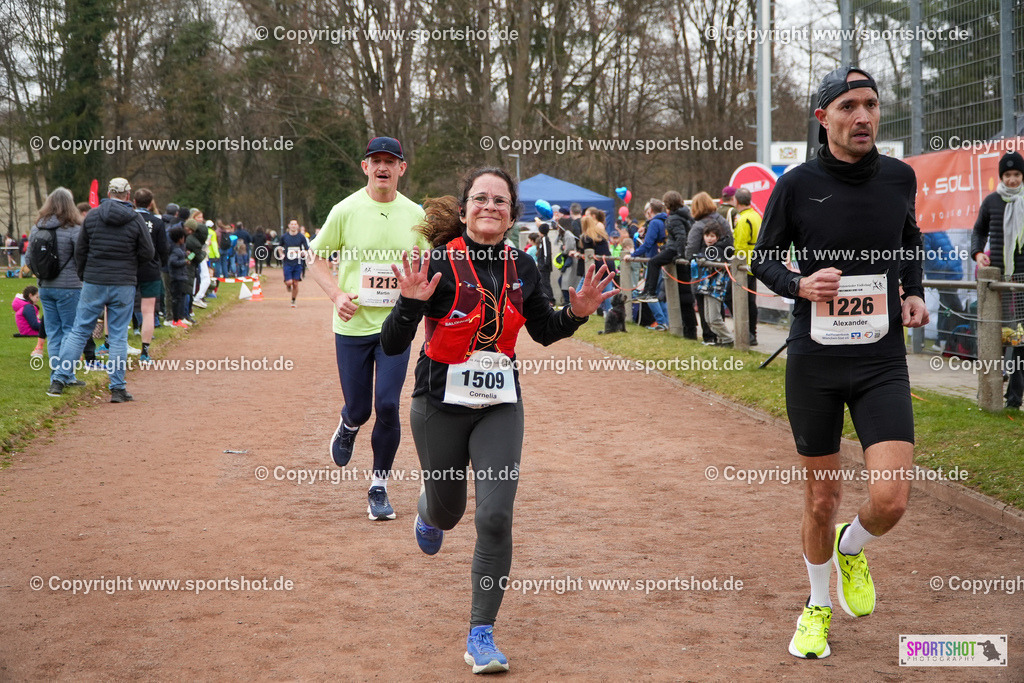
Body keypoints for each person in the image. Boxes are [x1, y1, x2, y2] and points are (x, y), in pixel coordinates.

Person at [380, 167, 616, 674]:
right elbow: (393, 344)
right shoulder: (438, 263)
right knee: (449, 513)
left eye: (501, 201)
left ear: (512, 215)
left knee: (494, 517)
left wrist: (576, 314)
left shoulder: (522, 266)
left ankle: (480, 634)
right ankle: (428, 510)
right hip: (438, 403)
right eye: (480, 199)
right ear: (464, 210)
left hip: (499, 405)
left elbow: (545, 331)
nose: (490, 206)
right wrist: (407, 304)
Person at [750, 66, 928, 660]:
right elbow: (763, 260)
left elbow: (908, 241)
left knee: (891, 499)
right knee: (820, 500)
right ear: (823, 117)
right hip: (815, 361)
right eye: (849, 106)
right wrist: (800, 285)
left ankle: (852, 549)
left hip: (881, 361)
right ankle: (817, 606)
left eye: (872, 105)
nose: (863, 117)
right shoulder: (797, 185)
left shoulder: (901, 178)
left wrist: (913, 291)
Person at [306, 136, 427, 520]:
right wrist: (337, 295)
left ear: (401, 169)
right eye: (376, 160)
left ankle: (378, 487)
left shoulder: (417, 215)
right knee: (360, 409)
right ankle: (348, 423)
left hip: (397, 326)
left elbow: (431, 266)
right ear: (365, 167)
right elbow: (316, 258)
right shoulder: (345, 210)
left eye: (390, 161)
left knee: (388, 405)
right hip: (353, 326)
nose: (383, 167)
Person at [50, 177, 155, 402]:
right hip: (123, 283)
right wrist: (130, 265)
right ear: (128, 195)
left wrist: (84, 274)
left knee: (79, 331)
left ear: (108, 192)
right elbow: (148, 252)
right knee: (117, 336)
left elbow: (81, 249)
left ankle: (58, 380)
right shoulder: (135, 219)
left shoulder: (94, 216)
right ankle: (117, 389)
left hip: (94, 281)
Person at [971, 150, 1024, 409]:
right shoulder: (991, 201)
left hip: (1022, 281)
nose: (1012, 179)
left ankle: (1014, 397)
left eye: (1016, 174)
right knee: (998, 336)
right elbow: (979, 230)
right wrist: (978, 253)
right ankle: (989, 392)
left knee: (1021, 340)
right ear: (1001, 176)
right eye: (1007, 175)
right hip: (998, 281)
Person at [26, 187, 85, 388]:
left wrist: (42, 274)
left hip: (45, 286)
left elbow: (28, 258)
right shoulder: (75, 229)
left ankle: (58, 375)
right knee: (70, 330)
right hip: (69, 286)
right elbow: (81, 257)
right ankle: (64, 375)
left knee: (53, 332)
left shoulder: (37, 227)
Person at [686, 192, 732, 344]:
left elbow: (690, 251)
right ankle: (720, 338)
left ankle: (711, 337)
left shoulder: (698, 225)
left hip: (703, 274)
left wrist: (697, 257)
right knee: (717, 308)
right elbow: (730, 244)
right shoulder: (723, 221)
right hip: (722, 270)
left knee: (706, 308)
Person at [133, 188, 168, 363]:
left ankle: (114, 347)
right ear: (151, 203)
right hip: (150, 270)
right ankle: (145, 352)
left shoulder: (128, 220)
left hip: (129, 269)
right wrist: (161, 263)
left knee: (121, 309)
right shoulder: (157, 222)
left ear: (134, 202)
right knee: (148, 312)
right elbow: (163, 249)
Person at [627, 200, 670, 329]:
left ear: (649, 211)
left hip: (655, 262)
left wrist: (633, 255)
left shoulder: (655, 223)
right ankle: (666, 323)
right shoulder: (664, 221)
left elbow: (647, 244)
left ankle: (661, 322)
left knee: (650, 294)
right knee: (659, 294)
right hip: (662, 261)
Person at [732, 187, 762, 345]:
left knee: (744, 300)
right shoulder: (756, 215)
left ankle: (748, 333)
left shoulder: (743, 219)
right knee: (751, 300)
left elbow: (741, 245)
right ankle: (752, 333)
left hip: (745, 265)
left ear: (736, 201)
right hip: (755, 262)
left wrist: (736, 262)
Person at [693, 225, 732, 346]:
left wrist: (703, 260)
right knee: (708, 318)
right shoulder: (707, 249)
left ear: (718, 237)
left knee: (715, 318)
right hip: (706, 288)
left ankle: (728, 339)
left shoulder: (719, 249)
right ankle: (721, 340)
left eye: (712, 236)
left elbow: (714, 260)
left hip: (716, 288)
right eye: (707, 235)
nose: (709, 238)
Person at [280, 219, 309, 308]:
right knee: (289, 282)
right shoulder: (284, 237)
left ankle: (293, 300)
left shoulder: (301, 237)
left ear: (297, 226)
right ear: (289, 226)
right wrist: (281, 254)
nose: (293, 226)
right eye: (292, 224)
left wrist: (303, 253)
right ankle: (288, 285)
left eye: (295, 224)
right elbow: (279, 247)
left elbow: (307, 248)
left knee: (295, 283)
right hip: (288, 262)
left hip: (298, 262)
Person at [12, 285, 46, 357]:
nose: (38, 300)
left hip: (26, 331)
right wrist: (48, 326)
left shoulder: (25, 306)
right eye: (36, 297)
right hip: (29, 331)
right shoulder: (28, 307)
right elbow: (34, 325)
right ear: (30, 295)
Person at [167, 227, 191, 327]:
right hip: (177, 277)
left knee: (180, 298)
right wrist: (184, 262)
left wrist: (185, 255)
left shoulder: (179, 249)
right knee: (177, 299)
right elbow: (172, 262)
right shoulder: (176, 250)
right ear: (180, 238)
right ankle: (176, 319)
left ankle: (179, 318)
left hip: (181, 277)